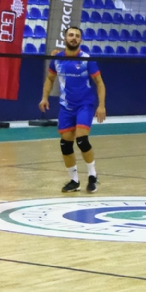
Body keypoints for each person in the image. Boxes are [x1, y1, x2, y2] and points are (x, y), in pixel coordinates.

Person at [39, 26, 106, 193]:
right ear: (65, 38)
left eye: (77, 36)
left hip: (85, 104)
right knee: (65, 144)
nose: (74, 38)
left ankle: (92, 176)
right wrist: (44, 98)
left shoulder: (86, 59)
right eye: (71, 35)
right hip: (66, 106)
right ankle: (74, 181)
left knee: (82, 140)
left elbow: (99, 83)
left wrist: (101, 105)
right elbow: (50, 79)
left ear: (80, 40)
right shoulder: (57, 59)